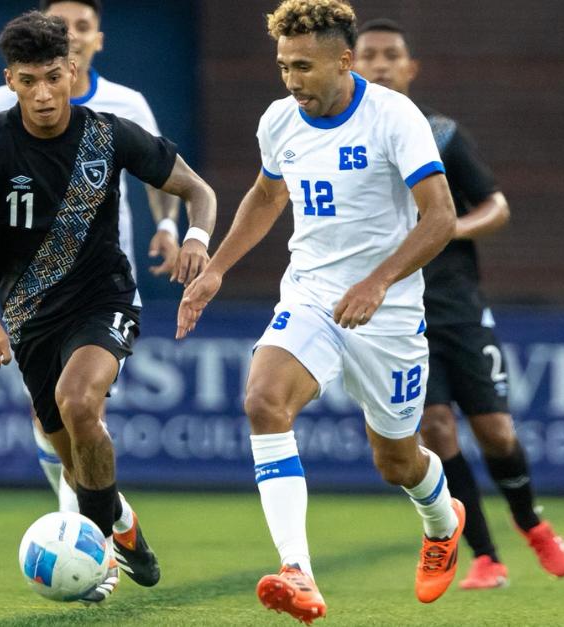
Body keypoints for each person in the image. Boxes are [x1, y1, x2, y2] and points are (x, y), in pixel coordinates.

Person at [178, 0, 463, 621]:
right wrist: (218, 268)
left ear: (343, 59)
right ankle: (297, 572)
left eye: (303, 67)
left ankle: (442, 521)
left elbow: (441, 217)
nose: (291, 80)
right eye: (283, 66)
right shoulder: (280, 120)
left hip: (385, 314)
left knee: (397, 461)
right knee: (263, 401)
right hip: (309, 294)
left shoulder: (394, 118)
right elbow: (265, 194)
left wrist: (378, 281)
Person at [0, 11, 216, 603]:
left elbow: (198, 190)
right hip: (26, 316)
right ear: (9, 81)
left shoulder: (109, 133)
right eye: (28, 81)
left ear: (72, 70)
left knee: (79, 400)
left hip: (104, 298)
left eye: (52, 78)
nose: (43, 94)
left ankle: (97, 553)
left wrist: (193, 237)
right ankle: (122, 526)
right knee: (73, 458)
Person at [353, 18, 564, 590]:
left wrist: (447, 230)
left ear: (409, 68)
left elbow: (496, 206)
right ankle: (486, 556)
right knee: (437, 429)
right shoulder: (343, 140)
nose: (379, 64)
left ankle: (532, 523)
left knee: (496, 430)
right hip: (402, 312)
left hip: (457, 306)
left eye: (390, 55)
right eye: (368, 54)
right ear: (350, 64)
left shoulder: (441, 134)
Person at [0, 0, 182, 514]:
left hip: (103, 282)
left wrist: (168, 227)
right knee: (54, 418)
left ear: (94, 42)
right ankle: (111, 517)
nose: (73, 34)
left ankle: (87, 533)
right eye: (63, 26)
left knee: (80, 402)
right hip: (33, 288)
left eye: (82, 27)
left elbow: (164, 176)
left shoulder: (123, 107)